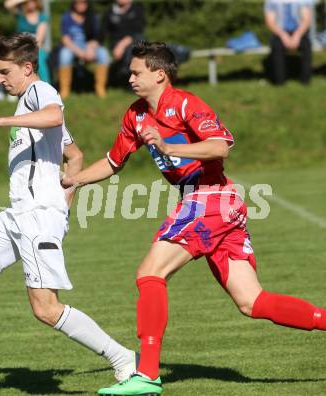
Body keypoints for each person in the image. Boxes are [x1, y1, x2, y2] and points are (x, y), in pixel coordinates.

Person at [62, 41, 326, 395]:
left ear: (160, 75)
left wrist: (171, 147)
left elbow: (221, 146)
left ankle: (148, 375)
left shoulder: (186, 103)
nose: (129, 78)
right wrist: (72, 180)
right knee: (252, 302)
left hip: (210, 197)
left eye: (136, 72)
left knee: (150, 273)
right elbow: (112, 162)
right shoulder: (136, 115)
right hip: (212, 203)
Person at [0, 33, 136, 394]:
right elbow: (74, 155)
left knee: (46, 309)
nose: (0, 79)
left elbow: (53, 115)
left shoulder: (38, 91)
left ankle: (123, 358)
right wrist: (65, 201)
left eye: (4, 72)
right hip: (19, 214)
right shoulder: (27, 105)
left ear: (27, 68)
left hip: (36, 218)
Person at [59, 0, 110, 98]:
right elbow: (65, 39)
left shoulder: (93, 16)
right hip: (73, 47)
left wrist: (91, 47)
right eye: (79, 2)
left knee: (103, 53)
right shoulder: (67, 17)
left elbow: (98, 36)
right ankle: (65, 89)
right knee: (64, 54)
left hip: (90, 47)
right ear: (74, 3)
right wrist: (79, 52)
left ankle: (100, 88)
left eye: (84, 2)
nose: (81, 4)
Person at [264, 0, 313, 85]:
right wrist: (283, 35)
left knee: (307, 45)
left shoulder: (302, 1)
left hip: (299, 32)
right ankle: (280, 81)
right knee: (277, 46)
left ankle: (306, 80)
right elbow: (270, 22)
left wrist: (297, 35)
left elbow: (306, 20)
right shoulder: (272, 2)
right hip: (280, 32)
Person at [4, 0, 51, 83]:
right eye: (28, 1)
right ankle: (13, 85)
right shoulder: (20, 14)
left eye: (32, 1)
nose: (30, 3)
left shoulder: (42, 17)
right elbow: (7, 5)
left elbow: (38, 41)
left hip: (36, 47)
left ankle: (46, 85)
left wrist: (28, 51)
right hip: (18, 47)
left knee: (39, 58)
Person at [100, 0, 145, 84]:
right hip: (115, 47)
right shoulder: (109, 13)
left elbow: (138, 30)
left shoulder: (137, 10)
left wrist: (122, 44)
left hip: (134, 43)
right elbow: (101, 34)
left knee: (135, 49)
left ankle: (133, 79)